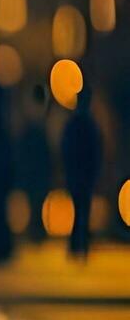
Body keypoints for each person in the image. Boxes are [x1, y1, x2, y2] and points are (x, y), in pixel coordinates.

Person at [61, 87, 102, 261]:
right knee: (83, 208)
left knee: (79, 208)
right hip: (85, 175)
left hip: (77, 174)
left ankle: (77, 244)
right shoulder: (90, 125)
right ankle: (82, 243)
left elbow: (66, 150)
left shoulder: (74, 125)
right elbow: (96, 152)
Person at [14, 84, 53, 241]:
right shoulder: (40, 125)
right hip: (38, 172)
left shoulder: (31, 125)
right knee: (37, 202)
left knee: (35, 202)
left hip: (35, 172)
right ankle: (37, 231)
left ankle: (36, 231)